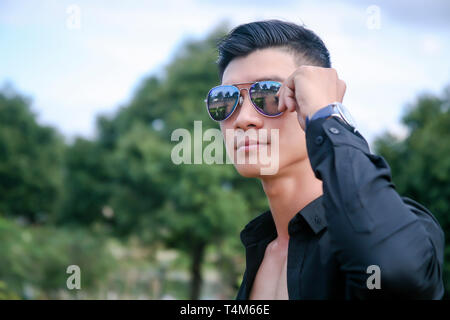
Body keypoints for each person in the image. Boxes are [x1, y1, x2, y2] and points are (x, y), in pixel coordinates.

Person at [204, 19, 445, 299]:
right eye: (226, 99)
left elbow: (396, 274)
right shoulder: (262, 248)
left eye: (269, 94)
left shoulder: (402, 227)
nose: (243, 119)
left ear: (310, 98)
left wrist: (327, 115)